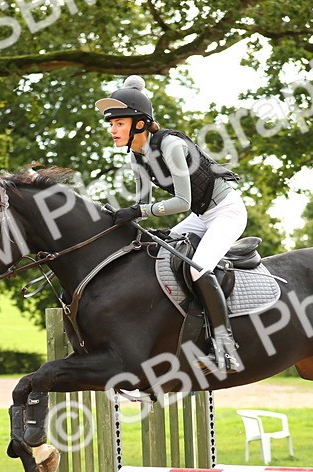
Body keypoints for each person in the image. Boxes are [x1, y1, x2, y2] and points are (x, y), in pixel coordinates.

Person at [95, 75, 246, 374]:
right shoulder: (137, 156)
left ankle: (226, 348)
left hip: (226, 211)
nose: (112, 130)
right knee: (153, 255)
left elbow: (182, 202)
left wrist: (137, 210)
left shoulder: (171, 145)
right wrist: (118, 218)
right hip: (201, 217)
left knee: (197, 268)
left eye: (119, 123)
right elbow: (142, 206)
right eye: (111, 124)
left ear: (140, 123)